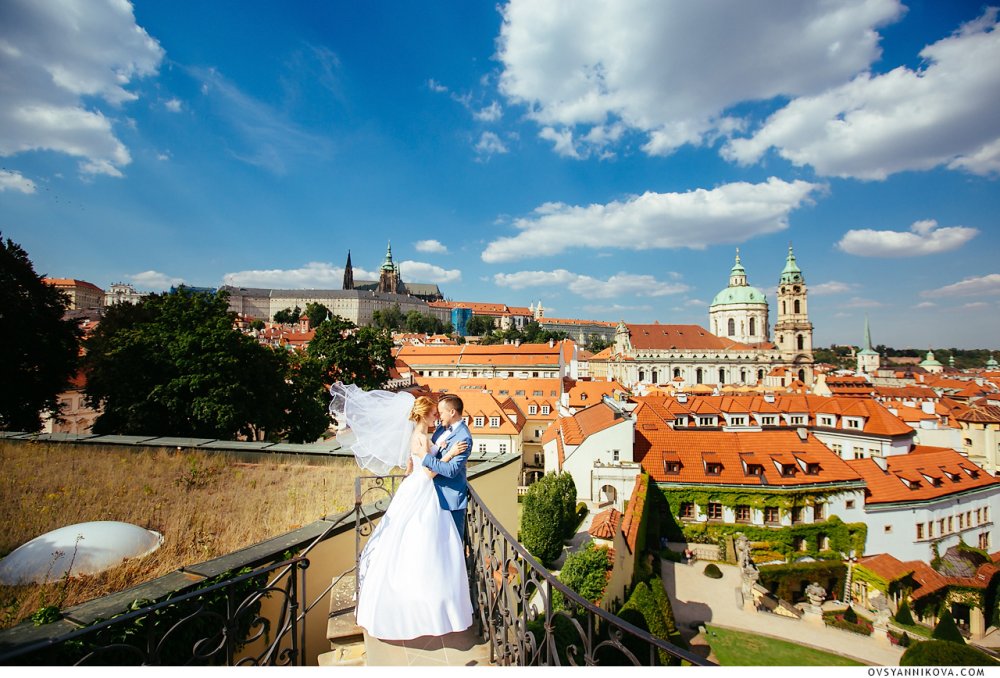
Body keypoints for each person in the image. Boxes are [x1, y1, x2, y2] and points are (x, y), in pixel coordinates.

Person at [329, 384, 473, 641]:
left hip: (423, 490)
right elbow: (428, 471)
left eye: (439, 414)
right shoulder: (421, 438)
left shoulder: (431, 434)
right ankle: (421, 606)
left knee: (421, 545)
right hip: (425, 488)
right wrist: (448, 453)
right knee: (422, 545)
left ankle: (432, 602)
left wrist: (430, 456)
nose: (436, 418)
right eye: (433, 414)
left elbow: (416, 465)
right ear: (424, 416)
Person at [419, 393, 473, 540]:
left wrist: (424, 458)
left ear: (452, 412)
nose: (438, 416)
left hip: (450, 499)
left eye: (441, 413)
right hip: (432, 494)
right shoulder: (442, 428)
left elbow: (451, 471)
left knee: (452, 544)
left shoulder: (464, 438)